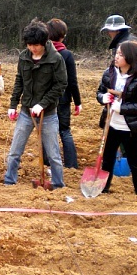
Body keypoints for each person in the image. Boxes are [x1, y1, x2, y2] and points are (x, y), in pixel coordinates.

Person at [4, 20, 67, 187]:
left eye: (36, 45)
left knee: (53, 154)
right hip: (26, 112)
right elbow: (19, 81)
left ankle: (58, 184)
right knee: (15, 151)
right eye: (30, 45)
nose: (33, 48)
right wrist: (13, 104)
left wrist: (43, 104)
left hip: (48, 114)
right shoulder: (24, 57)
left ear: (44, 42)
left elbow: (60, 85)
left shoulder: (56, 59)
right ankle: (9, 181)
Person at [96, 40, 137, 196]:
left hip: (131, 129)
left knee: (135, 163)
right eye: (117, 53)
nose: (116, 57)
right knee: (107, 160)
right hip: (111, 125)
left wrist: (121, 108)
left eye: (121, 54)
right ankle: (104, 189)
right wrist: (103, 98)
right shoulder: (109, 73)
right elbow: (100, 92)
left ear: (131, 57)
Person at [47, 18, 82, 168]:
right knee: (65, 131)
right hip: (63, 99)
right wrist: (78, 102)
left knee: (47, 131)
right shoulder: (66, 55)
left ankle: (47, 162)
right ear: (63, 36)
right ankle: (71, 165)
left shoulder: (43, 53)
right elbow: (72, 81)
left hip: (46, 99)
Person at [101, 14, 137, 78]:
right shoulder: (131, 39)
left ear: (118, 30)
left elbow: (134, 67)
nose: (108, 33)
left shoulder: (126, 45)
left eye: (110, 30)